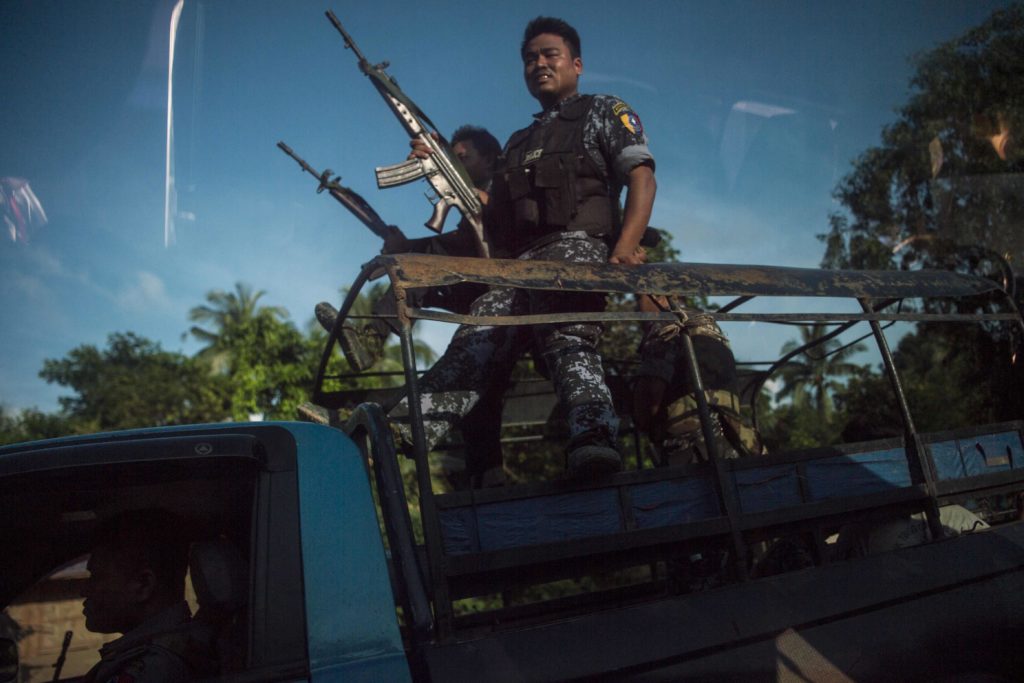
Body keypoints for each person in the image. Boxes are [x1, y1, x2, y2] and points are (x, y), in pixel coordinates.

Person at [391, 16, 656, 479]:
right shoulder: (518, 142)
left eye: (549, 54)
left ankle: (594, 440)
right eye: (530, 58)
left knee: (567, 334)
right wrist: (444, 166)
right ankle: (402, 432)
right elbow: (490, 219)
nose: (539, 64)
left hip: (576, 248)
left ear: (576, 63)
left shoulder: (603, 111)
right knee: (476, 339)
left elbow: (641, 176)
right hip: (518, 265)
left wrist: (625, 248)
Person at [317, 126, 507, 488]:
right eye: (455, 159)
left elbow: (501, 221)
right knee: (479, 379)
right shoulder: (473, 209)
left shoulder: (507, 189)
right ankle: (488, 477)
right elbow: (449, 248)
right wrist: (404, 245)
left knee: (473, 374)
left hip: (512, 286)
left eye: (462, 158)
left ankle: (486, 474)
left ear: (490, 158)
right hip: (483, 287)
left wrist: (442, 165)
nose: (458, 165)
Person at [632, 295, 763, 466]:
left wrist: (643, 420)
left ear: (659, 297)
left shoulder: (667, 321)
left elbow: (650, 394)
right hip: (735, 441)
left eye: (639, 300)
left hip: (692, 450)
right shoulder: (707, 323)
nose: (636, 310)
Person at [81, 509, 208, 683]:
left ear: (143, 585)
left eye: (96, 577)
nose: (84, 591)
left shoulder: (150, 669)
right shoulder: (177, 649)